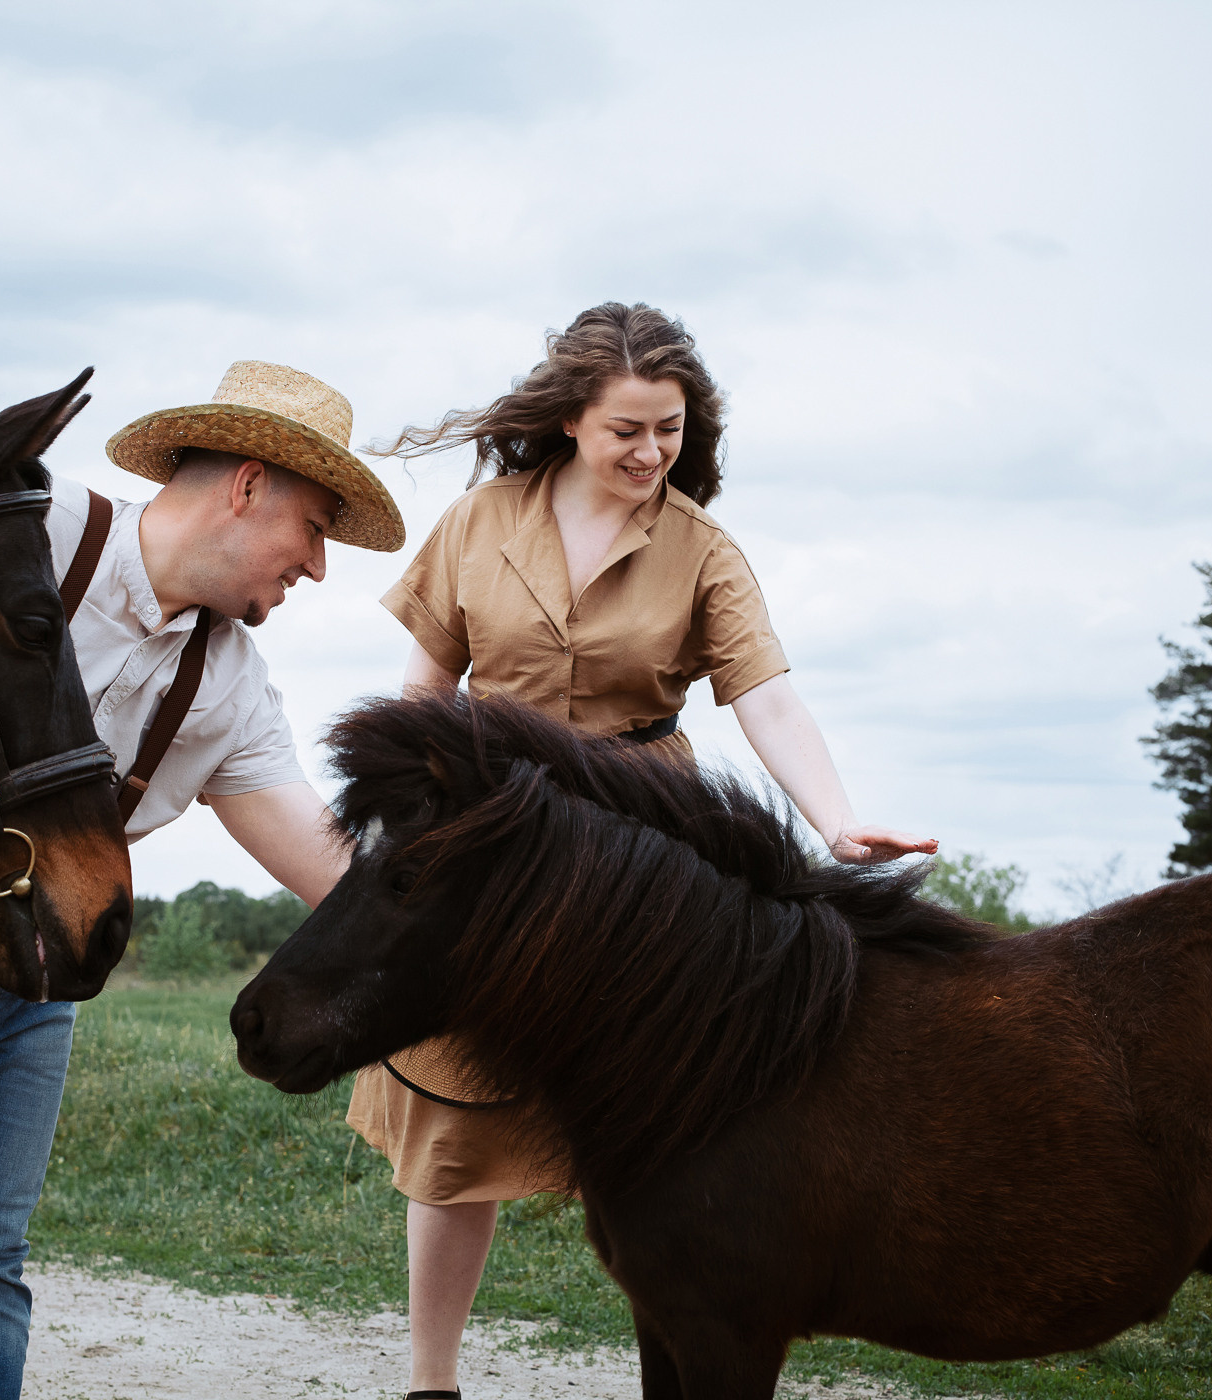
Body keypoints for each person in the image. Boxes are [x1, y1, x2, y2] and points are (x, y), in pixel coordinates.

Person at [0, 361, 395, 1399]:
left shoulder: (229, 686)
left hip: (32, 977)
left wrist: (491, 936)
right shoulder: (24, 533)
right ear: (245, 486)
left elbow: (337, 869)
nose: (317, 565)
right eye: (315, 525)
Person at [351, 303, 938, 1400]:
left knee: (661, 1127)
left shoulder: (704, 549)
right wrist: (393, 833)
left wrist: (834, 818)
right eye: (628, 428)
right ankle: (430, 1382)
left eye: (669, 429)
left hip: (643, 857)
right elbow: (424, 697)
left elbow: (765, 694)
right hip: (496, 844)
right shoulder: (478, 521)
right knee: (452, 1130)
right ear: (572, 417)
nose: (651, 452)